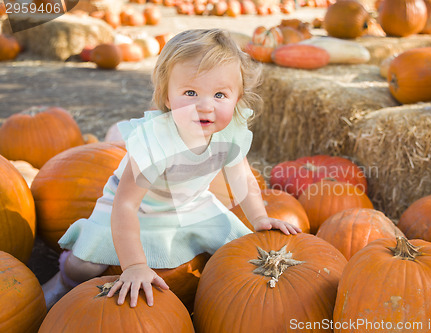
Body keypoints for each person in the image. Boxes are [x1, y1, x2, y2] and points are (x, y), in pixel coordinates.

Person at [42, 28, 301, 309]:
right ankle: (62, 280)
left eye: (220, 95)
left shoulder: (231, 131)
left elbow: (242, 177)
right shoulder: (155, 141)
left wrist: (260, 217)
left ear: (237, 98)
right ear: (167, 97)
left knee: (238, 249)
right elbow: (125, 205)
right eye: (190, 92)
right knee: (87, 264)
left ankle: (217, 307)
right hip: (135, 210)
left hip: (192, 205)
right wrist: (135, 266)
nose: (205, 106)